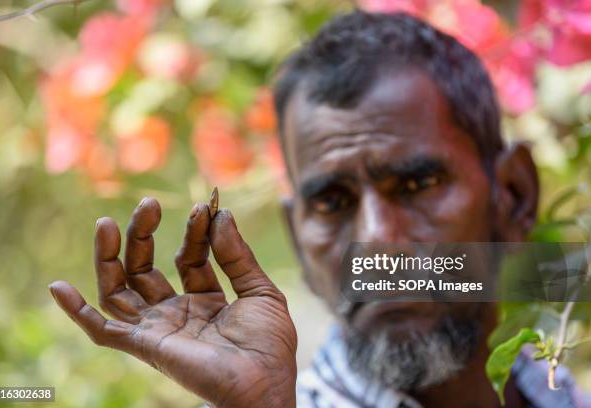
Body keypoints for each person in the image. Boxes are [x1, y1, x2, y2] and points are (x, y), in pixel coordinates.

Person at [48, 10, 589, 408]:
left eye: (419, 183)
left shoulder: (559, 390)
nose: (376, 239)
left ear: (515, 195)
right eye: (332, 202)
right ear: (298, 237)